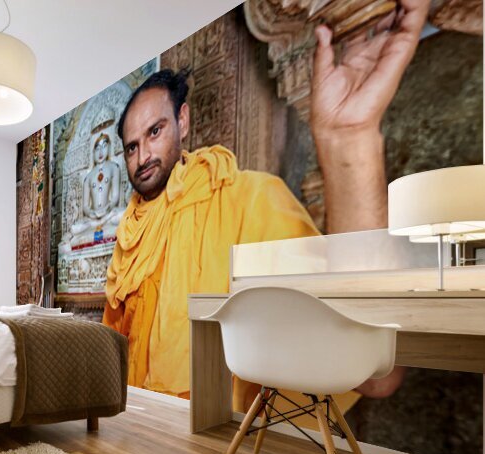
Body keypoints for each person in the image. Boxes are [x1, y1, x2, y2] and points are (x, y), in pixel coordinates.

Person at [102, 0, 428, 404]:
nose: (143, 156)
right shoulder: (129, 234)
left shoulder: (250, 199)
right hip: (137, 427)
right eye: (131, 147)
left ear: (183, 121)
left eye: (155, 132)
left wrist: (348, 138)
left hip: (216, 443)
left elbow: (377, 372)